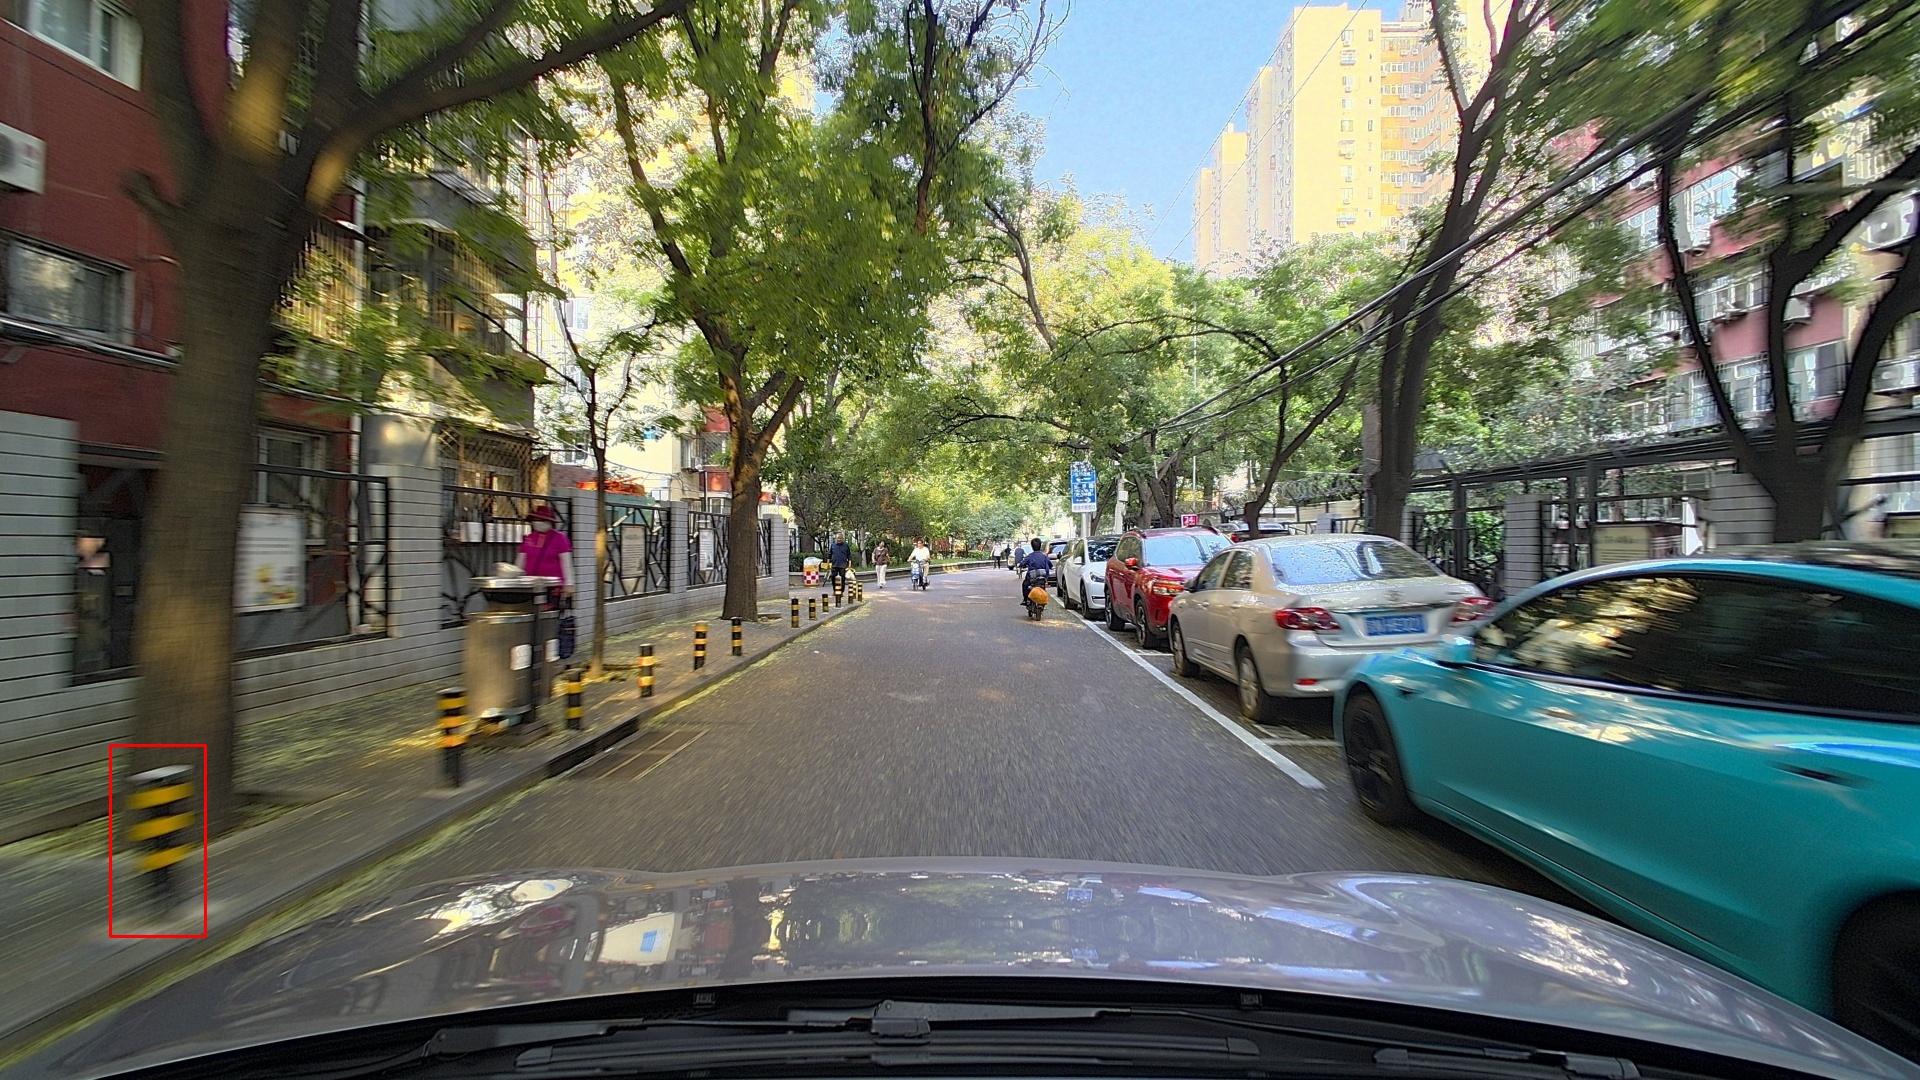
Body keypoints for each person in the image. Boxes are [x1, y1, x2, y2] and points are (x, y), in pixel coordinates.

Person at [517, 504, 573, 609]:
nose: (537, 523)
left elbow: (566, 562)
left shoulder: (559, 538)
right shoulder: (529, 538)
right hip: (531, 585)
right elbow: (520, 561)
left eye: (540, 520)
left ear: (549, 522)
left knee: (549, 613)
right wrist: (516, 578)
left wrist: (569, 583)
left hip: (552, 586)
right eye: (535, 520)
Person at [1015, 535, 1052, 605]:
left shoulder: (1030, 556)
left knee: (1025, 585)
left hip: (1032, 577)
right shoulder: (1044, 556)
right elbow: (1050, 565)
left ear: (1032, 547)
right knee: (1043, 586)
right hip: (1043, 577)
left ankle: (1025, 600)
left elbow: (1022, 563)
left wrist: (1021, 565)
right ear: (1040, 546)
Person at [827, 532, 853, 598]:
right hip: (834, 564)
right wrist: (828, 564)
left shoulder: (846, 545)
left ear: (842, 539)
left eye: (840, 538)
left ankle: (841, 591)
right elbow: (829, 555)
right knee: (833, 578)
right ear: (836, 538)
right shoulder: (833, 545)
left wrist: (849, 564)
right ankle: (835, 590)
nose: (839, 539)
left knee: (842, 579)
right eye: (838, 538)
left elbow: (849, 555)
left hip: (842, 565)